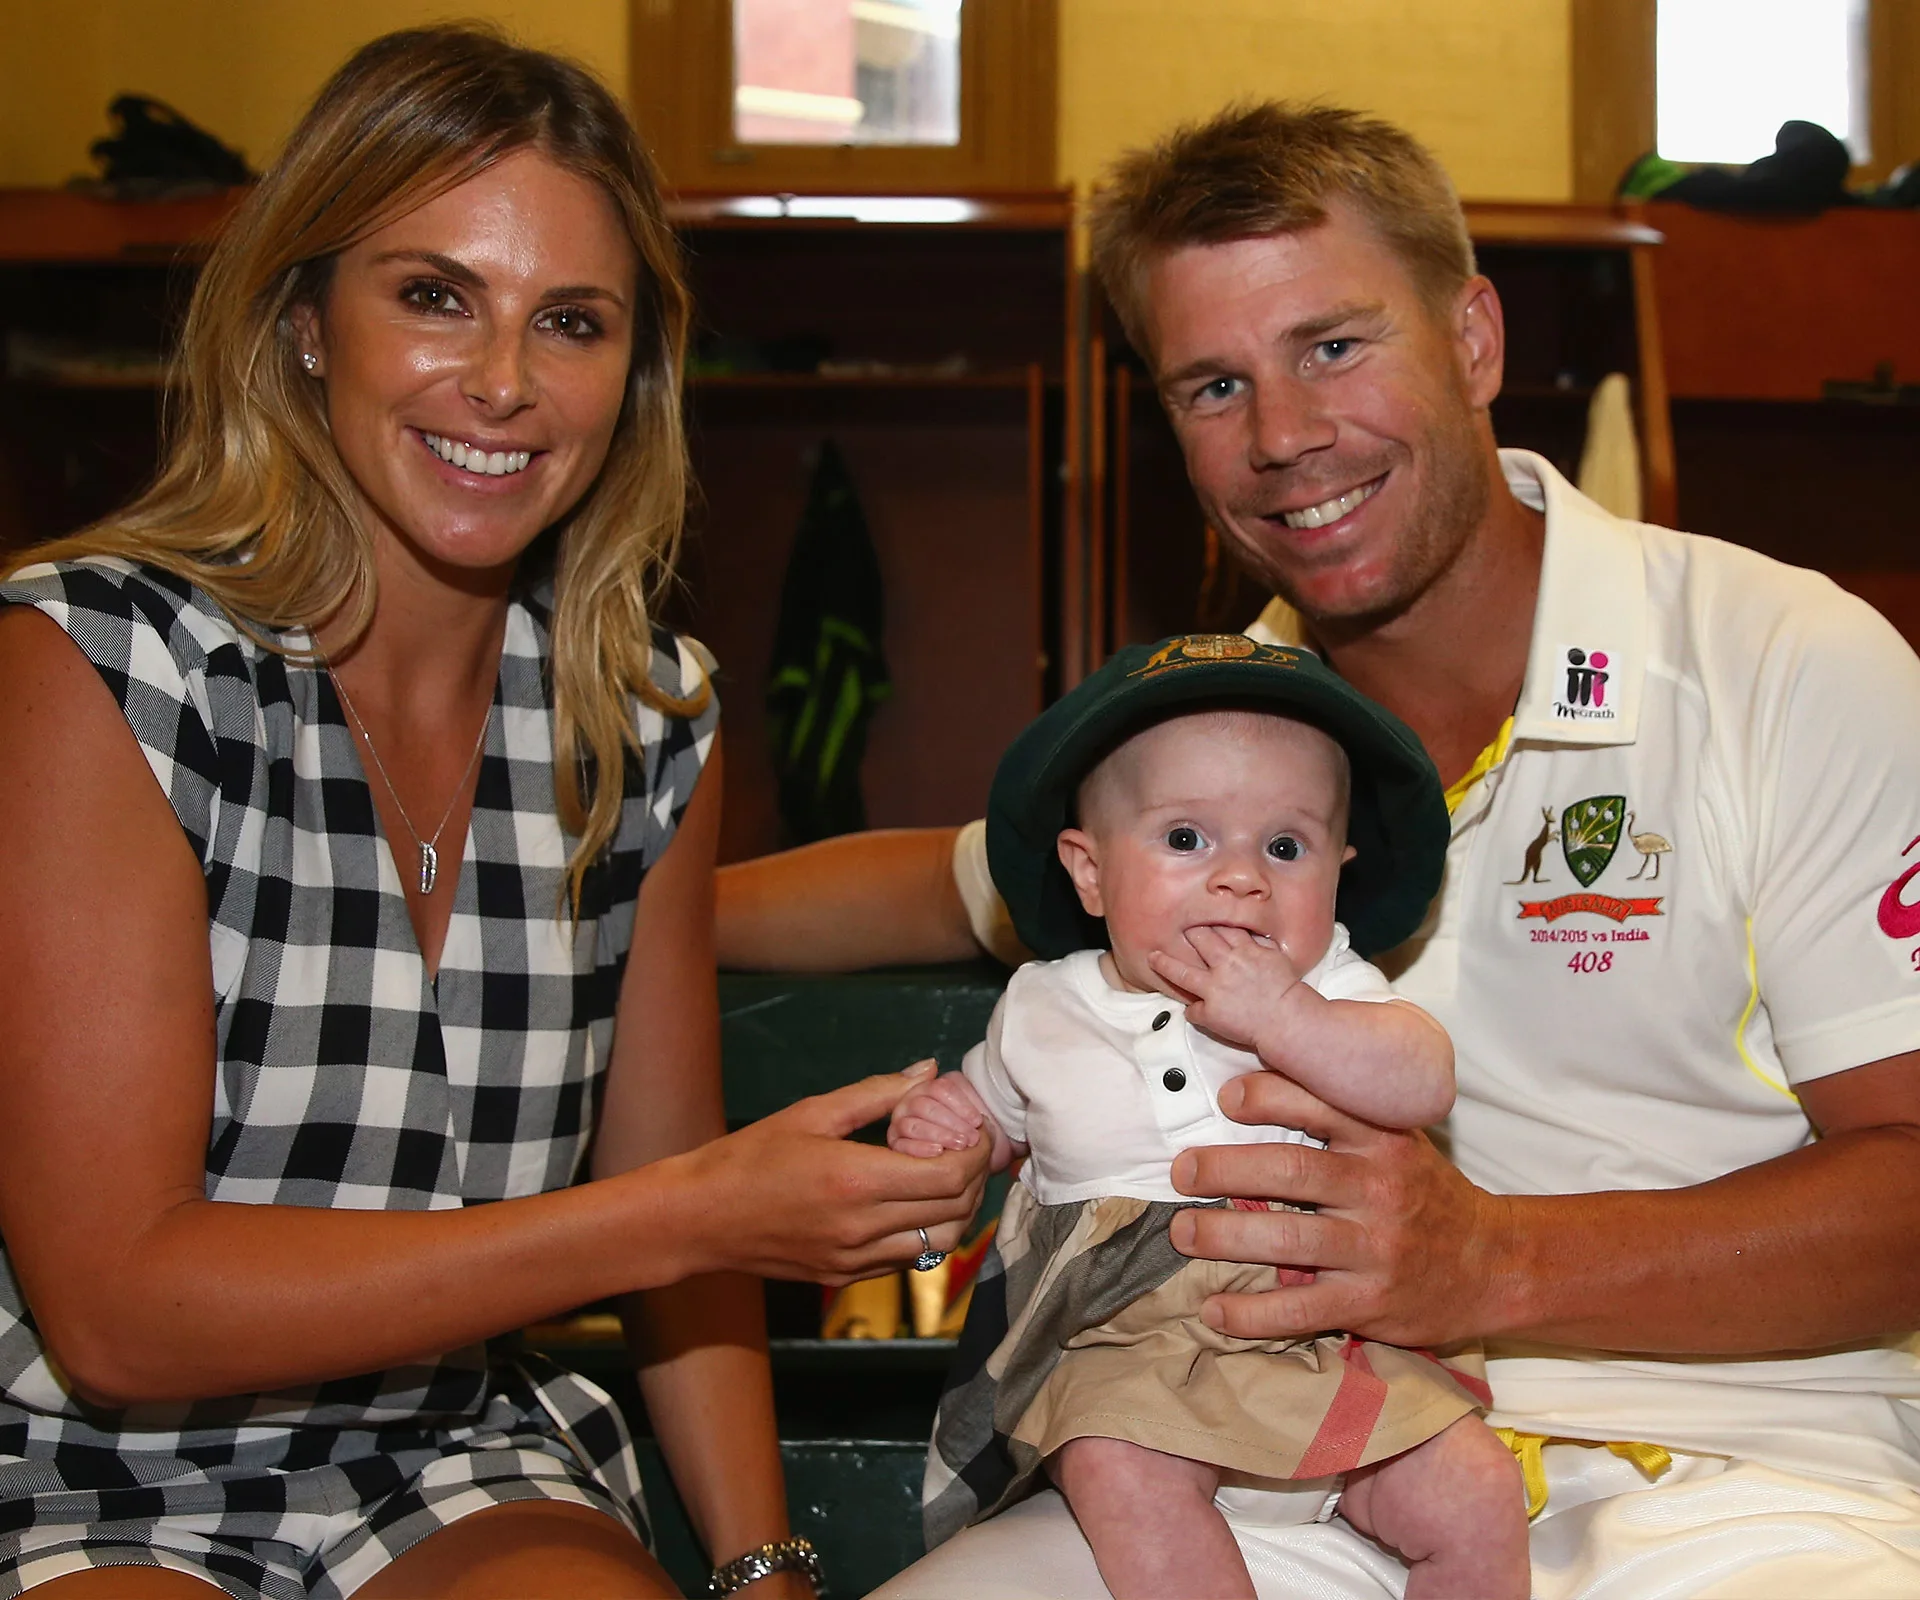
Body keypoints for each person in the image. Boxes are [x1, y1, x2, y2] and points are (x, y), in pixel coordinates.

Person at [720, 104, 1920, 1597]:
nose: (1283, 437)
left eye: (1334, 347)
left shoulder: (1787, 661)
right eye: (1215, 384)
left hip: (1755, 1479)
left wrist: (1496, 1262)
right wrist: (628, 920)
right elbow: (932, 877)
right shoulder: (1199, 758)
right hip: (1258, 1468)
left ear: (1473, 340)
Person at [0, 28, 985, 1600]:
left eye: (572, 322)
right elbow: (122, 1311)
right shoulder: (97, 666)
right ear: (308, 319)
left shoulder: (647, 717)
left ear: (631, 373)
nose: (508, 383)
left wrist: (763, 1571)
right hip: (69, 1470)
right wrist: (671, 1214)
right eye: (436, 295)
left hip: (444, 1454)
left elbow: (681, 1244)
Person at [887, 639, 1528, 1600]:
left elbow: (1422, 1080)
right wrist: (951, 1123)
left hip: (1326, 1335)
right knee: (1114, 1467)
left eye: (1285, 846)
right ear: (1089, 871)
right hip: (1125, 1354)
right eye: (1186, 839)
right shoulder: (1044, 1006)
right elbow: (993, 1119)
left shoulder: (1327, 984)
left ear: (1337, 875)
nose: (1241, 878)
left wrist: (1288, 1018)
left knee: (1480, 1493)